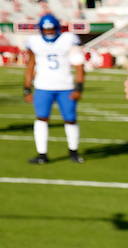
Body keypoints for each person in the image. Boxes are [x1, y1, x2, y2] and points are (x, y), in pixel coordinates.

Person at [24, 14, 85, 164]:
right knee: (41, 119)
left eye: (51, 29)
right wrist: (27, 89)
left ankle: (73, 152)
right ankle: (42, 155)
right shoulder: (34, 42)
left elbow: (79, 65)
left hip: (66, 86)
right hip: (43, 86)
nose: (49, 32)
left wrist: (79, 88)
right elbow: (30, 65)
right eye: (46, 30)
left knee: (70, 119)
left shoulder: (68, 40)